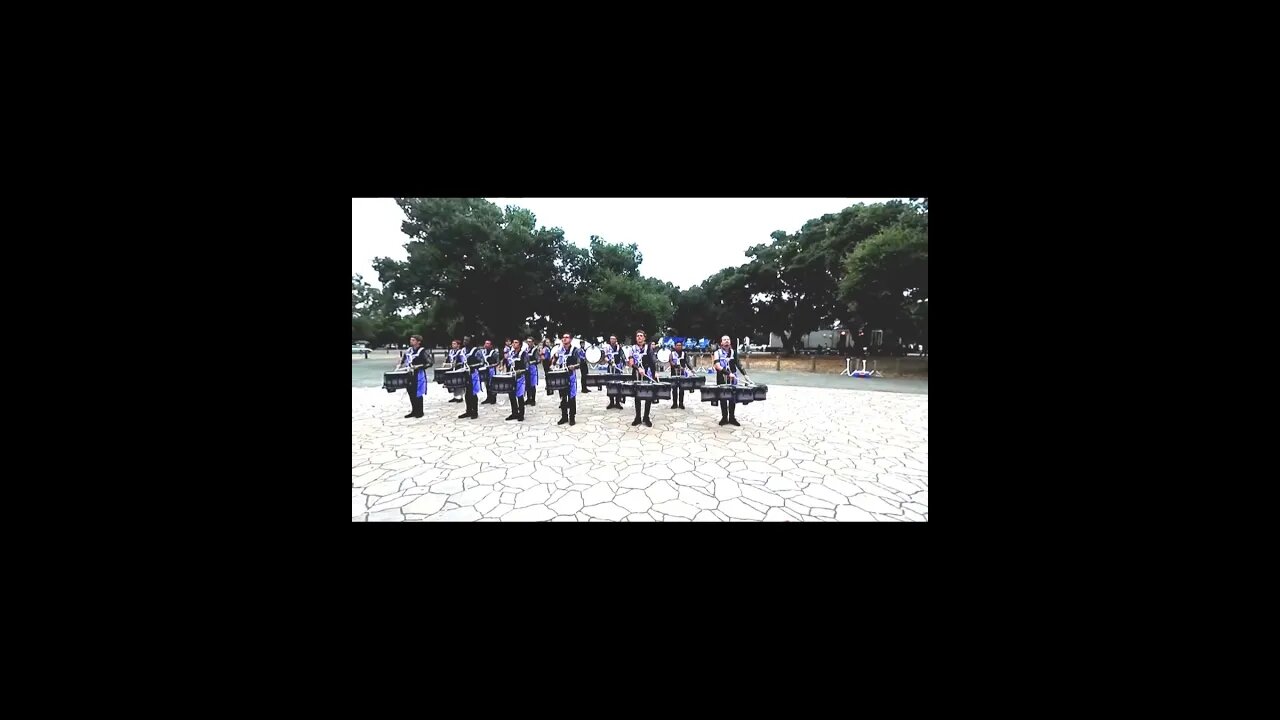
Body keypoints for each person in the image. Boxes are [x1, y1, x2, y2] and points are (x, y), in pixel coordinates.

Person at [550, 333, 582, 425]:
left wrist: (573, 366)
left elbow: (580, 364)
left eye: (567, 337)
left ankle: (572, 417)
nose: (564, 339)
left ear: (571, 339)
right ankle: (564, 417)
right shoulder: (559, 350)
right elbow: (554, 359)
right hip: (561, 376)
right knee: (563, 397)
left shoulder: (575, 350)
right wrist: (553, 364)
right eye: (563, 337)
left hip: (571, 376)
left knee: (571, 397)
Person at [628, 329, 655, 427]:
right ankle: (638, 417)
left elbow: (652, 361)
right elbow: (631, 363)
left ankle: (646, 417)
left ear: (644, 337)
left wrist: (655, 373)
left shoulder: (649, 348)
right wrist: (638, 368)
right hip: (636, 374)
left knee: (648, 395)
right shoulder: (632, 348)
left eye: (641, 336)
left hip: (647, 374)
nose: (639, 337)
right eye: (637, 336)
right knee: (637, 396)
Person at [714, 335, 740, 426]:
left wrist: (745, 375)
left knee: (733, 398)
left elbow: (739, 365)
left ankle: (732, 418)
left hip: (733, 378)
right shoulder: (717, 353)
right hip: (722, 377)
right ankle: (724, 417)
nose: (726, 341)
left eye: (728, 339)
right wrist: (728, 373)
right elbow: (717, 366)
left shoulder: (734, 352)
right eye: (724, 340)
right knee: (723, 397)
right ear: (721, 343)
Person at [401, 335, 428, 418]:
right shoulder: (408, 350)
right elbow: (403, 360)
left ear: (418, 342)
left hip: (418, 374)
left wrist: (418, 366)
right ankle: (414, 410)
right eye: (411, 340)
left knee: (418, 393)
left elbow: (429, 363)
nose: (411, 341)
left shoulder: (422, 351)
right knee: (411, 392)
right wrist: (400, 365)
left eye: (413, 340)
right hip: (409, 374)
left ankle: (420, 412)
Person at [503, 338, 528, 422]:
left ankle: (521, 414)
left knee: (520, 396)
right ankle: (514, 413)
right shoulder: (511, 353)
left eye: (516, 342)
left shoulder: (524, 354)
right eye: (513, 342)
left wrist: (519, 371)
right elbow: (508, 364)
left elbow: (527, 367)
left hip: (520, 377)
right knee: (511, 395)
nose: (514, 344)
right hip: (511, 377)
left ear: (520, 345)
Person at [458, 335, 481, 420]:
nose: (464, 341)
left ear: (471, 341)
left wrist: (472, 366)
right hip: (465, 373)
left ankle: (475, 412)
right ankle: (468, 411)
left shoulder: (476, 351)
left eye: (466, 340)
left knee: (473, 393)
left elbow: (482, 362)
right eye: (464, 340)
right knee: (467, 393)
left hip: (473, 373)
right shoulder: (463, 350)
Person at [604, 334, 626, 409]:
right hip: (610, 367)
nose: (612, 340)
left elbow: (623, 356)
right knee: (610, 384)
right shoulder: (607, 347)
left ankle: (617, 402)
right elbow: (605, 357)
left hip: (618, 367)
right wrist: (609, 362)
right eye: (611, 339)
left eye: (613, 339)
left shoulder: (619, 347)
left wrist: (625, 364)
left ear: (616, 340)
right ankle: (611, 402)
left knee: (618, 384)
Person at [668, 339, 691, 410]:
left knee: (682, 389)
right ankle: (674, 403)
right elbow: (671, 362)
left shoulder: (684, 353)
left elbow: (688, 363)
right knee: (674, 389)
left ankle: (681, 403)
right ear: (675, 346)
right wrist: (677, 367)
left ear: (682, 346)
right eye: (677, 345)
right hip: (674, 373)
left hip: (682, 373)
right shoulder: (671, 354)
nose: (678, 346)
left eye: (680, 345)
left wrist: (692, 369)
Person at [479, 339, 500, 405]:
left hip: (492, 370)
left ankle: (493, 398)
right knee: (486, 384)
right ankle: (488, 397)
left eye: (488, 343)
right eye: (485, 343)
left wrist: (491, 366)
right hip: (485, 370)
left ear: (491, 345)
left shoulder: (494, 353)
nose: (486, 345)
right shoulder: (483, 352)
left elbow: (498, 362)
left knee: (492, 384)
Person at [523, 336, 538, 407]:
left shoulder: (535, 350)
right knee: (527, 384)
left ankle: (533, 399)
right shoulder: (526, 349)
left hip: (532, 368)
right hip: (526, 368)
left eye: (530, 341)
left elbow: (538, 360)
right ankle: (528, 398)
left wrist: (530, 362)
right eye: (527, 341)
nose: (528, 343)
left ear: (533, 342)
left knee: (532, 384)